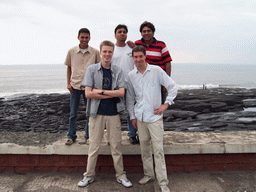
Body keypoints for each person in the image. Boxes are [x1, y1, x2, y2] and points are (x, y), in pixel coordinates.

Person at [78, 40, 132, 188]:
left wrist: (100, 91)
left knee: (116, 147)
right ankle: (88, 176)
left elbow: (121, 92)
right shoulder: (92, 70)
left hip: (114, 114)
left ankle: (121, 175)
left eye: (110, 51)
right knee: (93, 147)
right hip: (96, 114)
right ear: (100, 52)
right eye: (105, 51)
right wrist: (110, 94)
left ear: (112, 53)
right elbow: (88, 94)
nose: (107, 54)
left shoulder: (118, 71)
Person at [126, 46, 177, 192]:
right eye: (135, 57)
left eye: (140, 56)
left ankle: (163, 182)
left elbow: (172, 86)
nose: (138, 59)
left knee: (158, 150)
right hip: (140, 118)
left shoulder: (156, 71)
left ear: (145, 56)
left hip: (154, 117)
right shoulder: (131, 75)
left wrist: (166, 104)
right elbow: (129, 98)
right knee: (145, 149)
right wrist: (132, 117)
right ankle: (149, 174)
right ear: (133, 58)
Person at [64, 28, 101, 145]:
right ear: (78, 37)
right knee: (73, 113)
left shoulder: (95, 52)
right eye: (82, 37)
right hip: (75, 86)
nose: (84, 39)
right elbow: (69, 67)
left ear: (89, 38)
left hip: (89, 87)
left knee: (90, 113)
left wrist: (96, 86)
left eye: (86, 37)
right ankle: (71, 136)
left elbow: (98, 69)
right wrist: (68, 83)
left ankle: (88, 136)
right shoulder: (71, 51)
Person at [111, 24, 138, 145]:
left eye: (124, 32)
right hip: (115, 86)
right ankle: (113, 137)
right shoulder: (112, 49)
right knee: (113, 112)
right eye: (120, 32)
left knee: (131, 111)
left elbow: (139, 61)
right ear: (115, 34)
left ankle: (132, 134)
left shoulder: (131, 49)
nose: (122, 34)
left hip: (131, 84)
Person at [135, 21, 172, 103]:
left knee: (158, 107)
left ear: (153, 32)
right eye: (144, 31)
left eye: (149, 31)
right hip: (143, 82)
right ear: (141, 33)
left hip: (159, 81)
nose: (146, 33)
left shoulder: (161, 45)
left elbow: (168, 63)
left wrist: (166, 82)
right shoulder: (137, 44)